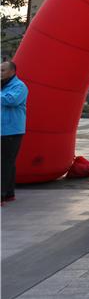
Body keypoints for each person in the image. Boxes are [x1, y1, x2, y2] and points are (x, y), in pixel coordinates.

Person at [1, 61, 28, 204]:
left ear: (12, 71)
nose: (0, 73)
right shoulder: (3, 86)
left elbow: (12, 100)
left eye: (2, 70)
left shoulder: (19, 86)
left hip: (11, 131)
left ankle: (2, 194)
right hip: (2, 130)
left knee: (5, 162)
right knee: (8, 162)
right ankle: (9, 192)